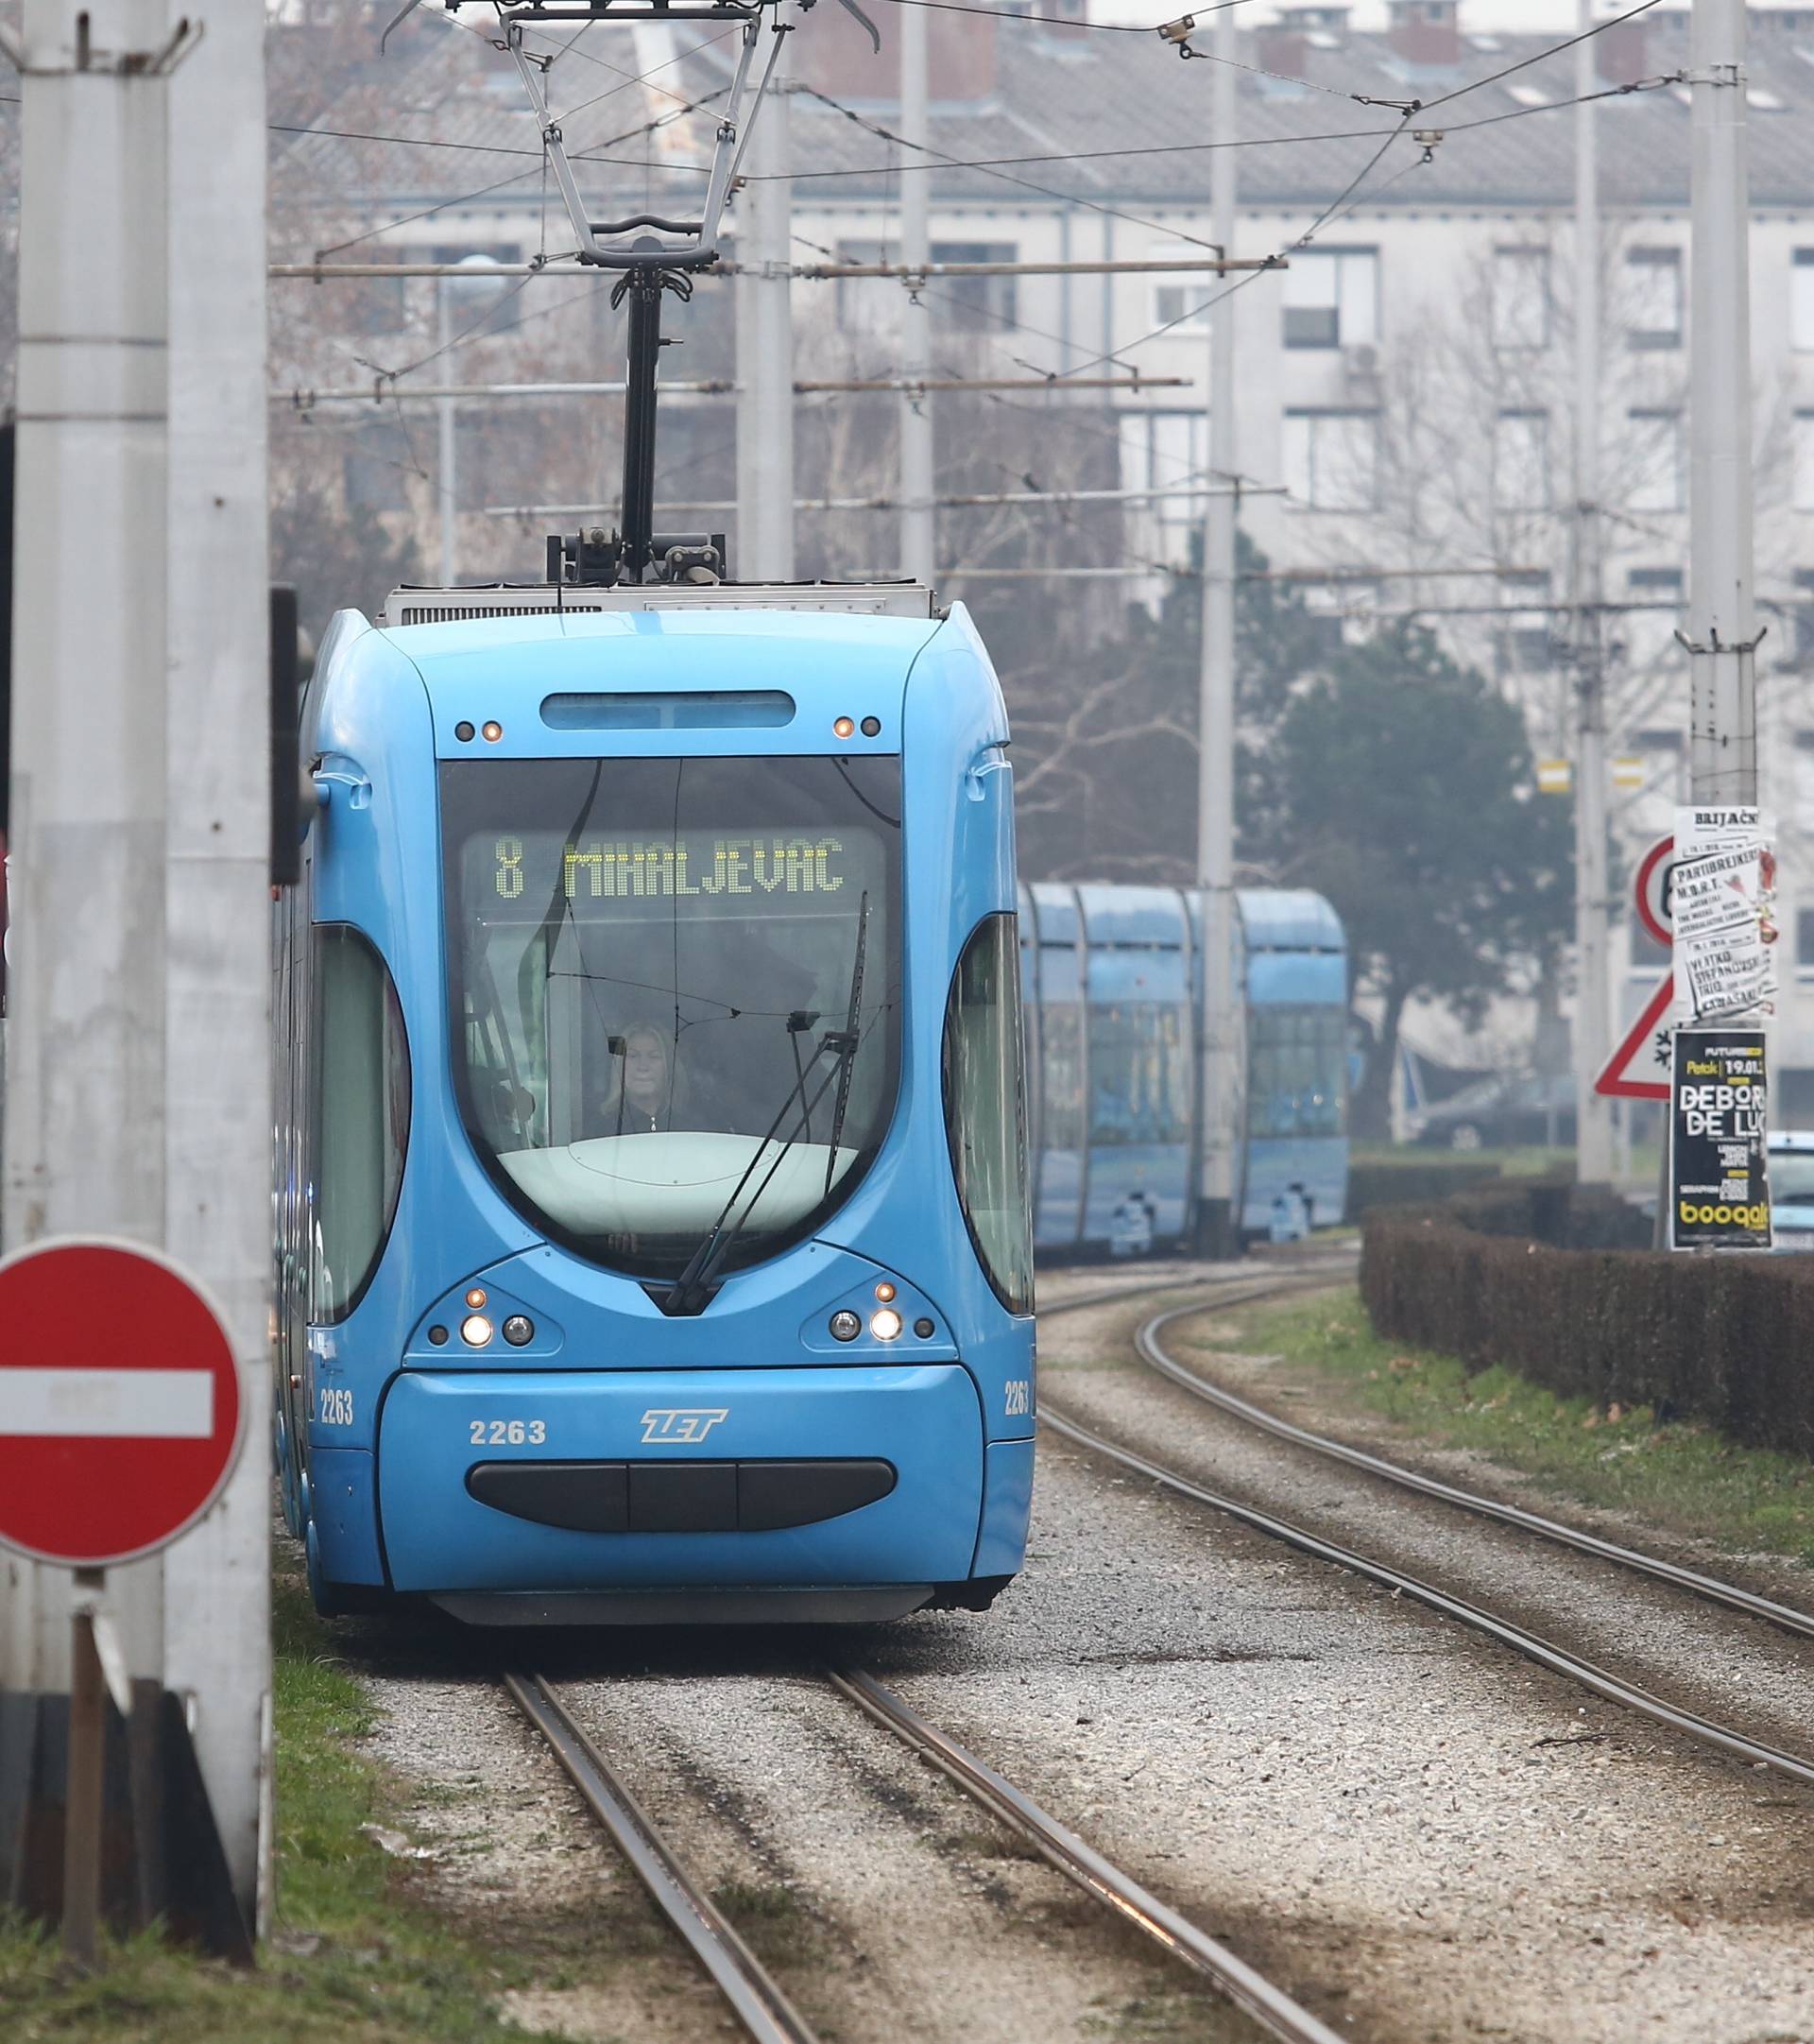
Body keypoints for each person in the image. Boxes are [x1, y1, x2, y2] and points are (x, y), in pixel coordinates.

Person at [596, 1026, 694, 1137]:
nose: (643, 1066)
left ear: (668, 1066)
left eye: (654, 1056)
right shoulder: (600, 1129)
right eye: (633, 1056)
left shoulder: (692, 1127)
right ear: (619, 1065)